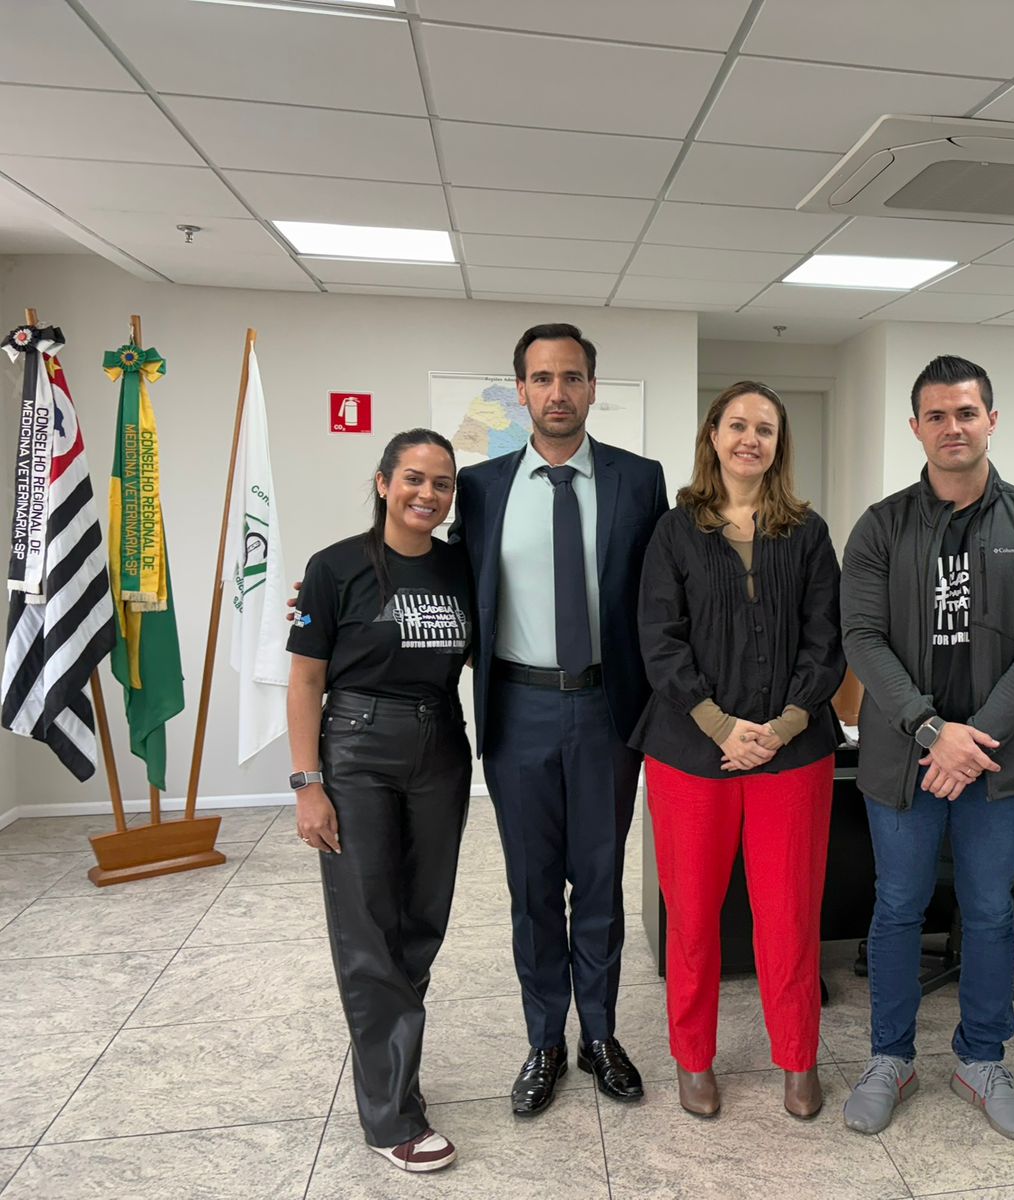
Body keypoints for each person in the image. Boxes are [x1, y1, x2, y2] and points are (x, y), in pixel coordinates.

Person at [838, 355, 1014, 1141]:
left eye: (966, 413)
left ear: (992, 420)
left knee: (989, 909)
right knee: (898, 907)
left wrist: (975, 740)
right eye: (936, 416)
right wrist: (933, 731)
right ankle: (889, 1059)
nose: (952, 428)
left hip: (998, 762)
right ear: (916, 428)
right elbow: (862, 639)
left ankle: (982, 1060)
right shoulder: (881, 524)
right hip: (906, 756)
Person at [451, 323, 668, 1117]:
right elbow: (440, 578)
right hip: (520, 708)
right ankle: (544, 1039)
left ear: (592, 388)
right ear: (521, 391)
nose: (557, 393)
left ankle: (600, 1035)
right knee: (534, 886)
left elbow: (662, 592)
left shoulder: (638, 480)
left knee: (602, 878)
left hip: (610, 709)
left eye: (571, 377)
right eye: (541, 378)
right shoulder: (478, 487)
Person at [631, 381, 845, 1121]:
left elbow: (828, 640)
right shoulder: (674, 530)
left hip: (794, 752)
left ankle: (798, 1059)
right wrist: (722, 726)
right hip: (692, 755)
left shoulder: (808, 533)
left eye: (765, 428)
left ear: (779, 443)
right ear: (713, 435)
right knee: (693, 917)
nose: (750, 438)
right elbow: (659, 641)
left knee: (788, 916)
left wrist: (782, 726)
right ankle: (694, 1059)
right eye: (737, 425)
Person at [287, 429, 472, 1173]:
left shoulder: (462, 568)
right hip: (358, 749)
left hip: (441, 749)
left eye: (442, 484)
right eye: (414, 479)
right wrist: (309, 786)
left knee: (421, 923)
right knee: (368, 928)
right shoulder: (334, 568)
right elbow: (305, 682)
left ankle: (394, 1066)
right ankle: (391, 1115)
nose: (428, 494)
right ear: (383, 482)